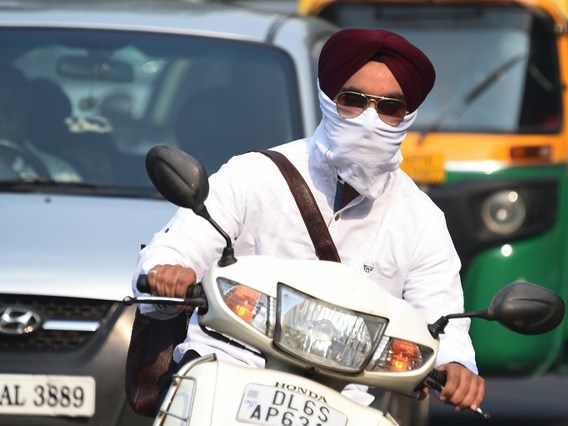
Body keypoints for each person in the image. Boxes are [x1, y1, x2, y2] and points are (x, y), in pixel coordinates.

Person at [132, 28, 485, 414]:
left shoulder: (421, 220)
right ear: (329, 101)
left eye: (389, 108)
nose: (371, 120)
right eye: (353, 101)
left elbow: (442, 322)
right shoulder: (253, 175)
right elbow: (179, 245)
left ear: (408, 116)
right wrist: (169, 271)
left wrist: (457, 366)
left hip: (343, 404)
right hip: (224, 378)